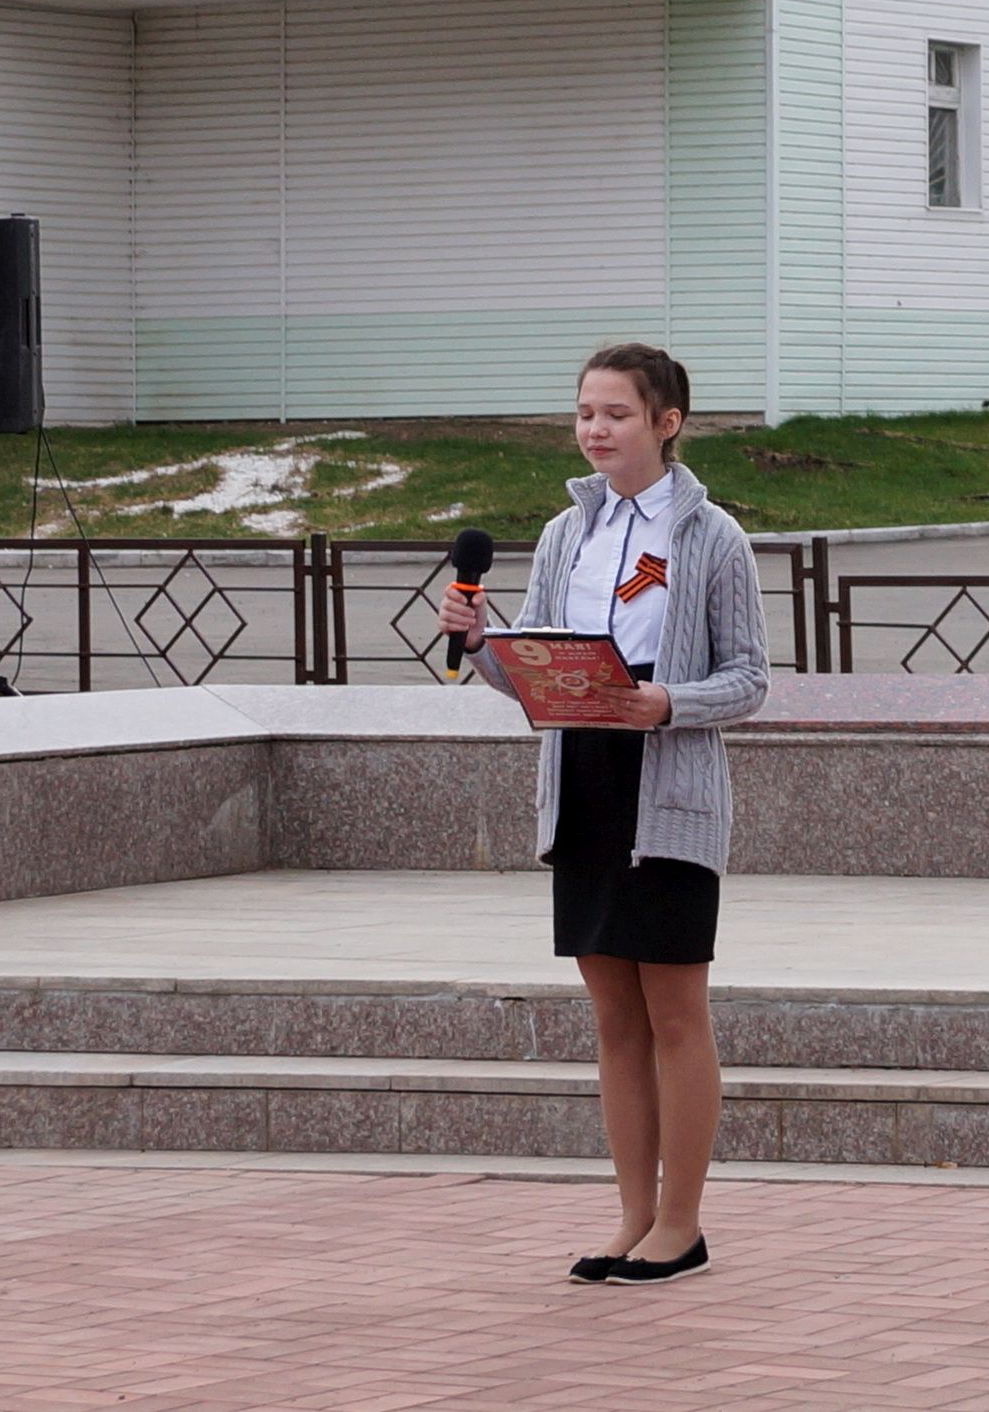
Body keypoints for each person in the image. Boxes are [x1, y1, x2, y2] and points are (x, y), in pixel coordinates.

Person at [442, 342, 770, 1286]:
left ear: (667, 425)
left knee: (675, 1013)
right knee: (612, 1018)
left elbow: (749, 680)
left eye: (616, 414)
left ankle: (683, 1223)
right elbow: (538, 672)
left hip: (664, 790)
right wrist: (487, 641)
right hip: (580, 778)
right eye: (585, 412)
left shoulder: (713, 538)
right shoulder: (562, 536)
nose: (595, 429)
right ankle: (630, 1217)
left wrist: (670, 703)